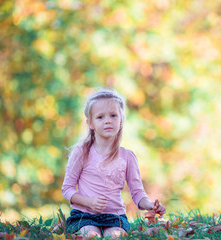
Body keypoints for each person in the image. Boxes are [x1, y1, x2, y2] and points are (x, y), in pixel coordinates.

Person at [62, 88, 166, 238]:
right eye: (100, 117)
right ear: (90, 123)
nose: (108, 120)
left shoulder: (127, 157)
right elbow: (67, 189)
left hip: (115, 217)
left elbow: (137, 193)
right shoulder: (81, 153)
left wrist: (149, 205)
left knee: (114, 236)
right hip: (85, 215)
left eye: (113, 115)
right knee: (91, 235)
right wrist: (89, 202)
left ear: (121, 120)